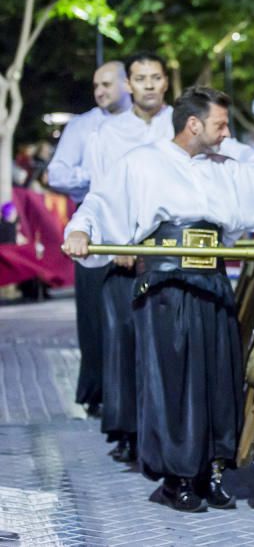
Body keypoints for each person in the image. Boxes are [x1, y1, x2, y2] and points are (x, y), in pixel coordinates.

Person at [63, 86, 254, 512]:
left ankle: (213, 473)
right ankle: (177, 479)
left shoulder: (226, 168)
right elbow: (100, 203)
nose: (225, 133)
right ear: (193, 124)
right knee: (174, 383)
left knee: (220, 377)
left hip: (213, 283)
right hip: (166, 288)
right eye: (220, 124)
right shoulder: (142, 163)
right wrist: (79, 232)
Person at [46, 61, 133, 416]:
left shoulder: (155, 123)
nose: (100, 91)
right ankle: (98, 393)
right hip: (93, 222)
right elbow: (57, 173)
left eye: (107, 84)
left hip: (140, 224)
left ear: (126, 84)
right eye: (96, 85)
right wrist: (98, 176)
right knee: (95, 316)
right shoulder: (84, 126)